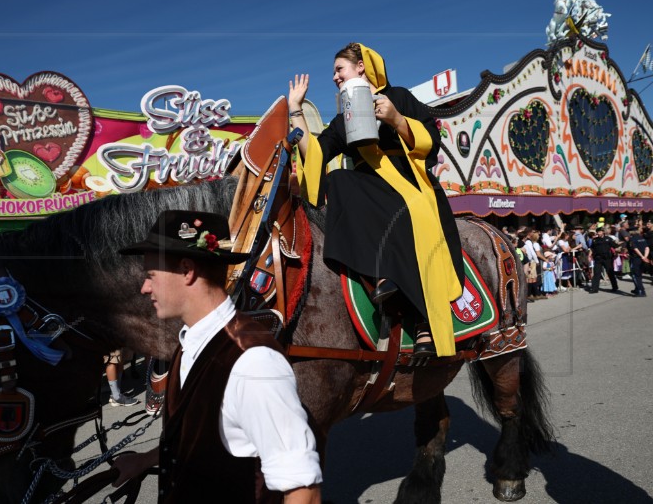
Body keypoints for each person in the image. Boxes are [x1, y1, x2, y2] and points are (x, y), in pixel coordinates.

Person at [112, 210, 322, 504]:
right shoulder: (191, 344)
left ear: (187, 270)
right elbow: (204, 438)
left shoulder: (252, 362)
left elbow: (304, 491)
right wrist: (145, 460)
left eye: (151, 275)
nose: (144, 288)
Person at [287, 42, 463, 357]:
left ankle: (426, 319)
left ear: (361, 68)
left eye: (339, 69)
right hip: (369, 191)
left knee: (403, 210)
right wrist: (296, 110)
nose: (334, 78)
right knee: (338, 178)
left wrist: (396, 120)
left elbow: (433, 143)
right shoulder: (342, 121)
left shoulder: (400, 98)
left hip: (410, 185)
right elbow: (315, 154)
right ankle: (380, 275)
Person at [587, 226, 618, 293]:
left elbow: (615, 246)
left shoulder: (608, 239)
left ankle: (615, 287)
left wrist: (617, 251)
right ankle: (594, 289)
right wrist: (589, 256)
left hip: (607, 258)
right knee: (596, 273)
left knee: (610, 273)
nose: (598, 233)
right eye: (597, 232)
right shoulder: (595, 240)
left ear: (603, 232)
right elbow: (592, 248)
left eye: (599, 232)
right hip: (598, 258)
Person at [628, 230, 649, 297]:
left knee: (635, 275)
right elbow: (647, 248)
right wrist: (645, 256)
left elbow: (635, 249)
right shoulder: (642, 238)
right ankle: (637, 289)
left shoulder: (632, 239)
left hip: (635, 259)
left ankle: (641, 291)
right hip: (642, 259)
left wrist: (642, 256)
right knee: (639, 274)